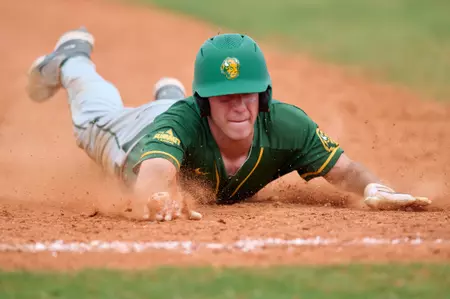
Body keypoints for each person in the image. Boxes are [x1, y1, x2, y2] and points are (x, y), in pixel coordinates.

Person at [26, 27, 431, 222]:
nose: (238, 106)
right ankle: (72, 60)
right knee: (92, 120)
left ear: (263, 96)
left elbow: (347, 172)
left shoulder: (288, 125)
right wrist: (155, 198)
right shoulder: (183, 122)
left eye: (247, 93)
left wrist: (375, 188)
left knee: (177, 124)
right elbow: (153, 174)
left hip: (179, 122)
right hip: (138, 136)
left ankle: (166, 96)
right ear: (204, 100)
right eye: (224, 96)